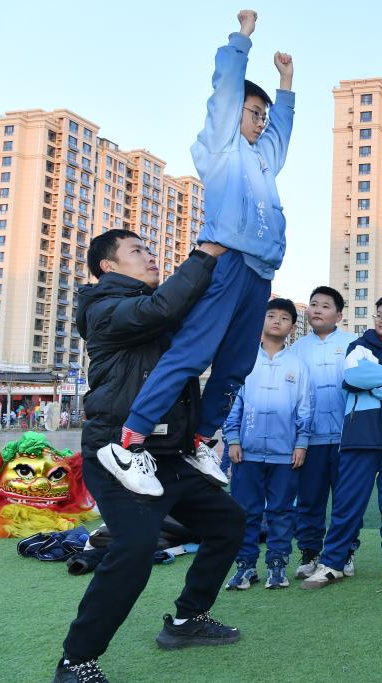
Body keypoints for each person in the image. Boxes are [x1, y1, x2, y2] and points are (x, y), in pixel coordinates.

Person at [97, 9, 295, 498]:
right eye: (254, 113)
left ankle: (202, 440)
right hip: (226, 264)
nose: (261, 122)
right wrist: (242, 38)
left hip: (259, 272)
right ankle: (128, 442)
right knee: (194, 352)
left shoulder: (263, 160)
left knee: (237, 363)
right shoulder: (220, 146)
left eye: (263, 116)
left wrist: (286, 84)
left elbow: (282, 133)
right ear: (235, 114)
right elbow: (224, 90)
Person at [54, 229, 244, 683]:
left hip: (170, 455)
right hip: (120, 454)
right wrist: (205, 255)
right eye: (137, 251)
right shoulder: (103, 309)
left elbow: (196, 323)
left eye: (149, 249)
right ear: (108, 266)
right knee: (135, 548)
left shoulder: (153, 308)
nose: (150, 256)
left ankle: (188, 619)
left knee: (228, 523)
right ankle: (76, 661)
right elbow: (163, 308)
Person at [301, 294, 382, 591]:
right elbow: (355, 376)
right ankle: (332, 563)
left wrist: (376, 387)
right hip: (360, 437)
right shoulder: (358, 347)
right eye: (379, 314)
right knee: (347, 504)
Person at [224, 298, 312, 591]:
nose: (277, 321)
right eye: (271, 315)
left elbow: (304, 408)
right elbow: (233, 403)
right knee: (245, 511)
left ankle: (277, 565)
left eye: (284, 318)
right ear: (261, 321)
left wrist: (301, 444)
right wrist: (233, 439)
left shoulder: (297, 364)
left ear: (292, 327)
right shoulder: (245, 360)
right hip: (246, 453)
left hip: (285, 454)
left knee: (282, 511)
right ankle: (245, 566)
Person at [290, 286, 359, 580]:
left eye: (325, 306)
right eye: (314, 304)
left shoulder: (353, 344)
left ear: (339, 315)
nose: (317, 310)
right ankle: (310, 552)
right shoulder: (297, 349)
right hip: (311, 440)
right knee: (309, 499)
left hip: (348, 438)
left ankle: (345, 552)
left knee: (346, 499)